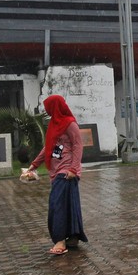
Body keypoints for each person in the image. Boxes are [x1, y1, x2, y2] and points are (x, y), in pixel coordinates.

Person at [28, 95, 88, 255]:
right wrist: (34, 165)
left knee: (57, 205)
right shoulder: (54, 124)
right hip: (57, 172)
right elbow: (48, 147)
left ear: (55, 106)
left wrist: (73, 169)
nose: (46, 110)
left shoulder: (69, 123)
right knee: (69, 205)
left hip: (66, 172)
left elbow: (78, 145)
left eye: (48, 106)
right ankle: (73, 237)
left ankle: (60, 240)